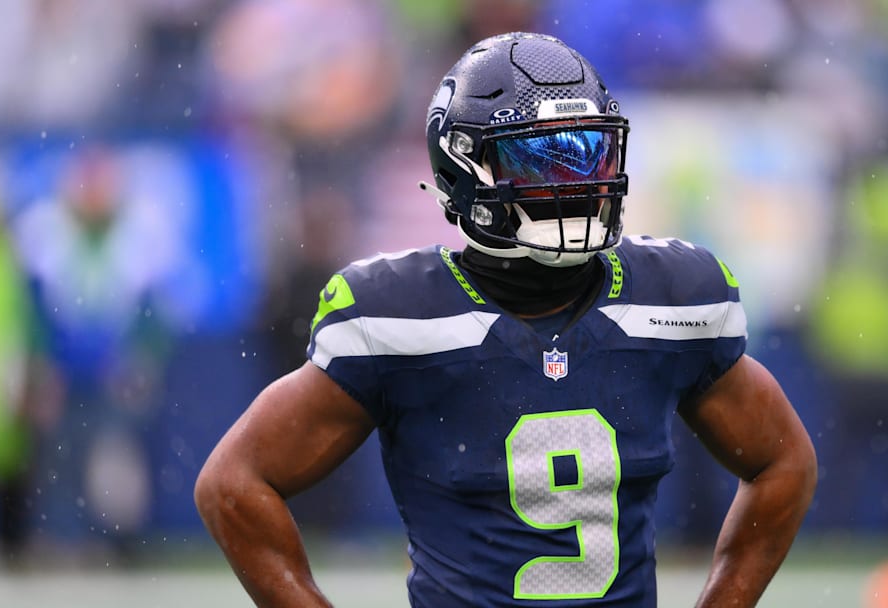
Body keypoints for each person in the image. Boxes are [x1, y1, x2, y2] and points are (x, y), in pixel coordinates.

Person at [195, 32, 817, 607]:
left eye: (586, 153)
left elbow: (784, 462)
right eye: (540, 162)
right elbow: (233, 483)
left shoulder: (674, 296)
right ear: (463, 170)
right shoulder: (398, 314)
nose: (573, 184)